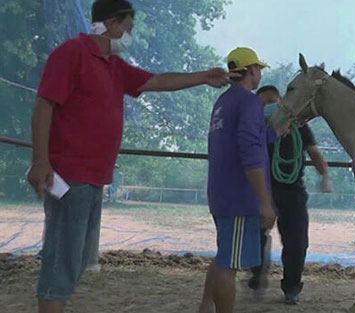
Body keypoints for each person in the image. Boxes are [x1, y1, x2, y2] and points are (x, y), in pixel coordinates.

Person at [26, 1, 237, 312]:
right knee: (61, 262)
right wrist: (40, 161)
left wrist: (202, 76)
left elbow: (156, 81)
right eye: (129, 27)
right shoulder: (72, 53)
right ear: (112, 24)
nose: (130, 35)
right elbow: (44, 104)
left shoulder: (114, 65)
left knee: (75, 261)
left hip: (95, 177)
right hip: (70, 174)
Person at [198, 48, 291, 313]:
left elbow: (244, 140)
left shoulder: (223, 103)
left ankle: (205, 307)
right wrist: (265, 203)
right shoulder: (250, 103)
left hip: (221, 195)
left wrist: (274, 133)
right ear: (251, 70)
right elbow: (250, 154)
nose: (260, 73)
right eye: (259, 69)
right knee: (229, 266)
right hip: (240, 199)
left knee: (224, 255)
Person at [248, 85, 332, 304]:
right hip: (263, 189)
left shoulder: (299, 126)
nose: (271, 107)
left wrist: (325, 175)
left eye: (274, 101)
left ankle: (292, 288)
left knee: (297, 241)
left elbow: (314, 152)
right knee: (256, 236)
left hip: (293, 190)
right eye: (266, 103)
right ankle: (257, 277)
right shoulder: (256, 127)